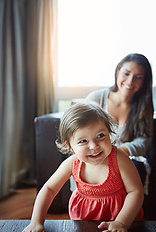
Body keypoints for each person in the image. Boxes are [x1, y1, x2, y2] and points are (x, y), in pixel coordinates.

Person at [23, 102, 144, 232]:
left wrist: (122, 222)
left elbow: (135, 191)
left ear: (109, 133)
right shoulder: (72, 163)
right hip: (82, 222)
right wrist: (36, 221)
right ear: (69, 146)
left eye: (100, 136)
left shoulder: (119, 158)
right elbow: (49, 189)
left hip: (121, 221)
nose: (94, 146)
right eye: (83, 141)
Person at [85, 53, 154, 192]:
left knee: (135, 166)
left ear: (144, 82)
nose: (130, 81)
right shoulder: (96, 98)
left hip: (125, 157)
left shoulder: (144, 107)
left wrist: (117, 153)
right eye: (126, 73)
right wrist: (101, 152)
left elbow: (142, 142)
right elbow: (81, 132)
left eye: (138, 77)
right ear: (118, 71)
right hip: (94, 154)